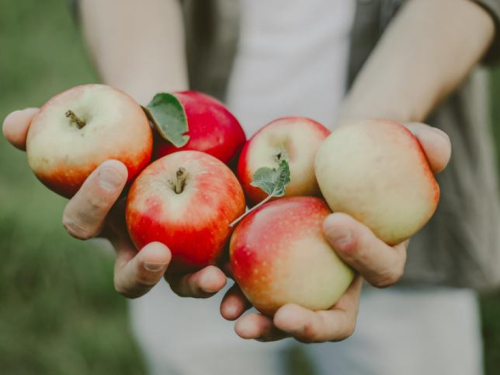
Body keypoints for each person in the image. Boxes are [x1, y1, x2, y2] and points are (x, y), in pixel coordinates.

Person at [3, 0, 500, 374]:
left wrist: (384, 125)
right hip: (195, 250)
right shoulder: (170, 194)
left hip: (397, 231)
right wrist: (147, 122)